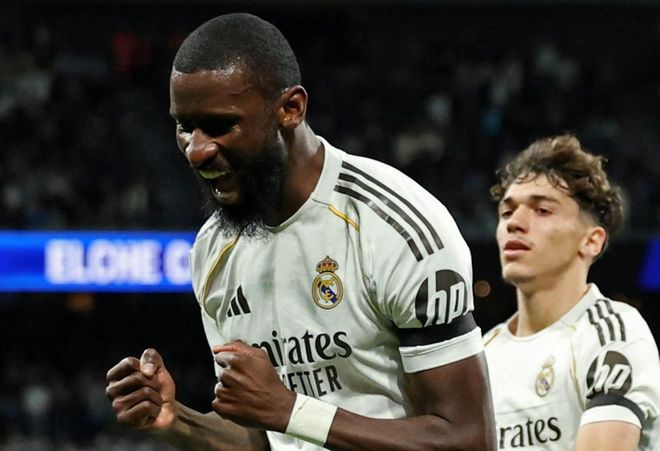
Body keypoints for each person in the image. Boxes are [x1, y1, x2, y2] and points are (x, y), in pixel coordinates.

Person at [104, 12, 496, 451]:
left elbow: (468, 439)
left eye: (219, 126)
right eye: (184, 126)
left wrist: (292, 411)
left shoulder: (393, 228)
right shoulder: (214, 250)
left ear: (291, 109)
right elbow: (263, 435)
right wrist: (176, 420)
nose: (196, 150)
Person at [484, 135, 660, 450]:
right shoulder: (482, 356)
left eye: (542, 210)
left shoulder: (611, 337)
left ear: (591, 241)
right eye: (507, 212)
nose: (515, 223)